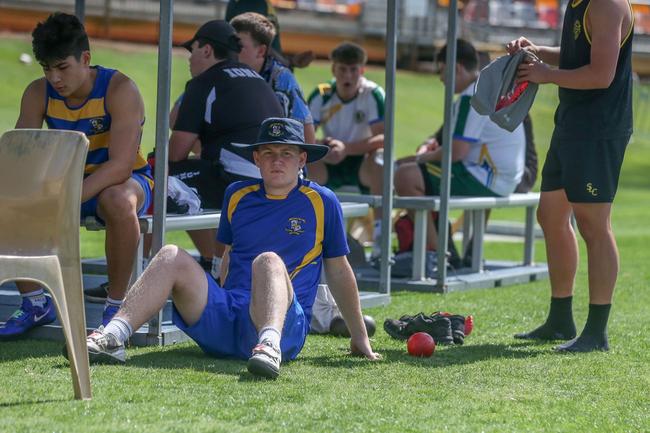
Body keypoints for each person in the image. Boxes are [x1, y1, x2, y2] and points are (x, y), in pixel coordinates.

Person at [84, 117, 379, 378]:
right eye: (269, 153)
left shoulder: (323, 200)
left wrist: (359, 336)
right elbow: (225, 256)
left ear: (302, 160)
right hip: (230, 316)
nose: (277, 161)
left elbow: (339, 270)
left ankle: (268, 345)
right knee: (171, 253)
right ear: (256, 159)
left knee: (268, 260)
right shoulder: (237, 194)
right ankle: (111, 336)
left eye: (286, 154)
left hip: (285, 326)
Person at [0, 12, 153, 339]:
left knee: (118, 200)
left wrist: (65, 197)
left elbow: (122, 165)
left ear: (86, 58)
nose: (54, 77)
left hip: (124, 182)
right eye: (46, 68)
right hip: (65, 184)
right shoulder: (37, 92)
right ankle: (35, 302)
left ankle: (117, 306)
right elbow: (21, 157)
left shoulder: (120, 88)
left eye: (62, 67)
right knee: (6, 197)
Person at [508, 0, 634, 352]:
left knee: (594, 225)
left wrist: (546, 75)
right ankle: (561, 319)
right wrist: (537, 53)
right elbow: (579, 55)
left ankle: (596, 332)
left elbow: (600, 74)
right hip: (572, 124)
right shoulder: (579, 2)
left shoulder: (607, 4)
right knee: (550, 215)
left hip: (599, 129)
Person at [394, 39, 525, 254]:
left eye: (442, 71)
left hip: (488, 177)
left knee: (404, 176)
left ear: (456, 68)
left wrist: (415, 160)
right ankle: (444, 248)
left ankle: (439, 256)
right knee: (413, 173)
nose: (441, 78)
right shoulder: (489, 87)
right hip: (504, 178)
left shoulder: (471, 96)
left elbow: (456, 153)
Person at [307, 42, 385, 255]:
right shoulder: (321, 94)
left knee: (381, 159)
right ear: (333, 70)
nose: (348, 76)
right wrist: (322, 146)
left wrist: (347, 148)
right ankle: (308, 234)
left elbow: (384, 137)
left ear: (362, 70)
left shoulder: (373, 94)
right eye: (342, 69)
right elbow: (305, 136)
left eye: (353, 70)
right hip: (330, 160)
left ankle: (381, 236)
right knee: (303, 160)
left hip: (361, 161)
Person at [230, 12, 315, 144]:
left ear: (261, 51)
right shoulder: (222, 70)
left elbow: (307, 135)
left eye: (239, 46)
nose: (231, 51)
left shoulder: (281, 80)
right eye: (229, 44)